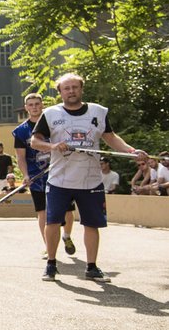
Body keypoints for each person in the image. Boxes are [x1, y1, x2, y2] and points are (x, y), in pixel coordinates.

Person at [30, 72, 146, 282]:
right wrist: (53, 145)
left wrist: (131, 151)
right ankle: (51, 264)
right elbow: (35, 141)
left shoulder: (98, 112)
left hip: (91, 179)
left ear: (81, 89)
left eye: (75, 87)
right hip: (60, 179)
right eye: (67, 88)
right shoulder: (50, 114)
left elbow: (110, 137)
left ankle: (92, 267)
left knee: (92, 223)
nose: (71, 91)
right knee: (53, 221)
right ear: (60, 92)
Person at [12, 92, 76, 257]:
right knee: (42, 211)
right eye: (31, 104)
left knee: (68, 211)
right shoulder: (20, 132)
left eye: (37, 104)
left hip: (60, 172)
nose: (34, 107)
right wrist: (25, 175)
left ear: (42, 105)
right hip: (37, 176)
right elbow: (20, 156)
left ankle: (66, 236)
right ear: (26, 108)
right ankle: (49, 247)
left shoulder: (55, 125)